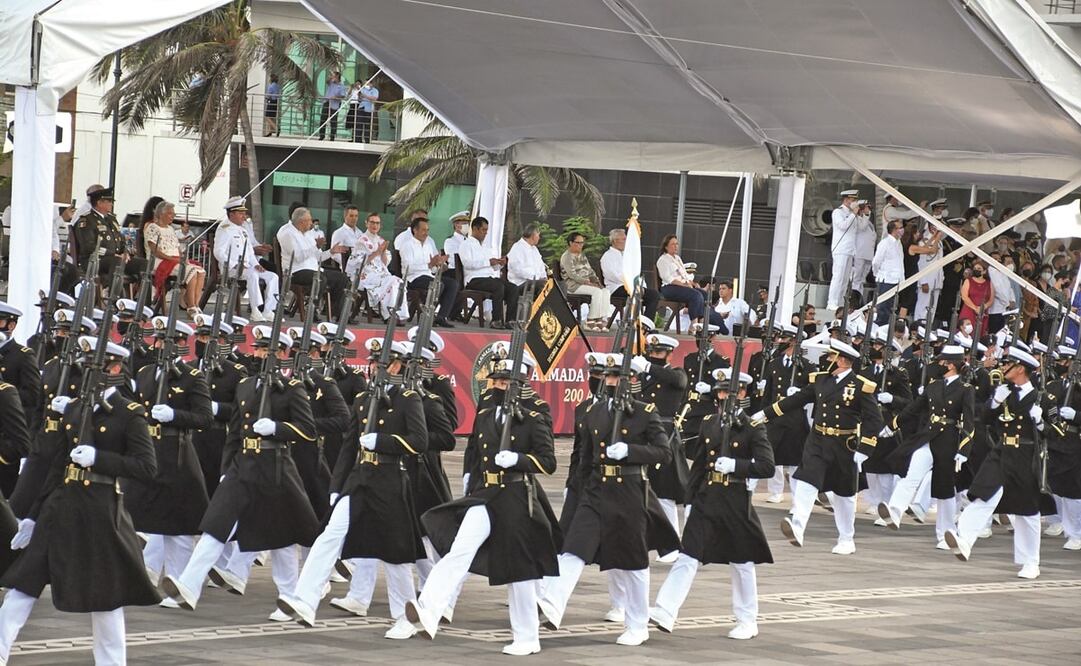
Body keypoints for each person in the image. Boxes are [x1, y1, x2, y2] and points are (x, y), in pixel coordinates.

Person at [0, 338, 159, 666]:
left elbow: (146, 467)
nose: (90, 371)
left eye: (97, 366)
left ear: (115, 369)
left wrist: (99, 458)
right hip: (59, 508)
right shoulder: (74, 409)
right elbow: (57, 468)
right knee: (22, 586)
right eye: (87, 364)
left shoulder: (130, 415)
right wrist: (31, 516)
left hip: (99, 512)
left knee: (105, 600)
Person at [161, 325, 321, 616]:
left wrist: (277, 428)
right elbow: (234, 431)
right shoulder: (246, 385)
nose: (259, 354)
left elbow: (308, 430)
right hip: (242, 465)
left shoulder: (293, 388)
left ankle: (290, 596)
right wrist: (226, 468)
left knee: (281, 538)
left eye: (265, 350)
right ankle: (189, 585)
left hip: (274, 466)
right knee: (215, 527)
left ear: (283, 354)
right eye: (257, 348)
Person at [277, 338, 428, 639]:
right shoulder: (363, 399)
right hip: (360, 478)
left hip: (389, 479)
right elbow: (348, 446)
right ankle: (304, 599)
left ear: (397, 365)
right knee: (329, 535)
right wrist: (337, 485)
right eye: (373, 362)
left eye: (381, 363)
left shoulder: (408, 399)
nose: (374, 367)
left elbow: (420, 441)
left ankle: (405, 615)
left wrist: (383, 443)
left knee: (395, 553)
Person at [408, 354, 558, 656]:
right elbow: (477, 448)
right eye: (497, 381)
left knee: (520, 570)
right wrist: (470, 476)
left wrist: (519, 460)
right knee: (460, 549)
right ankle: (429, 609)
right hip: (486, 493)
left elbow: (548, 462)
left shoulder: (533, 419)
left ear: (519, 385)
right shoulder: (489, 413)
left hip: (516, 496)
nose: (499, 387)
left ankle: (527, 636)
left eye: (505, 382)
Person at [537, 352, 678, 647]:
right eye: (608, 376)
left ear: (632, 381)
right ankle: (552, 603)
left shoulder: (644, 412)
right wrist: (575, 491)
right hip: (596, 490)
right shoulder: (595, 412)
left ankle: (638, 624)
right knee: (573, 549)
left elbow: (663, 452)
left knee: (632, 561)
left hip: (629, 490)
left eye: (616, 377)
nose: (609, 381)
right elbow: (586, 458)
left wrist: (630, 452)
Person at [650, 368, 774, 640]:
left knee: (742, 563)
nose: (722, 397)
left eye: (728, 391)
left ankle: (747, 619)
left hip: (735, 501)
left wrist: (737, 466)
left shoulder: (753, 427)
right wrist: (690, 500)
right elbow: (698, 468)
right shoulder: (709, 423)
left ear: (741, 393)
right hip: (707, 498)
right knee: (688, 556)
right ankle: (665, 610)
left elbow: (767, 467)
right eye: (719, 391)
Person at [750, 338, 884, 554]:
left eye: (831, 357)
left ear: (841, 360)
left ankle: (846, 538)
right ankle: (798, 527)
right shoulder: (822, 380)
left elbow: (874, 421)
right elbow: (796, 400)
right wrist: (765, 413)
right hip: (818, 441)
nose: (827, 360)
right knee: (805, 481)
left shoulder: (860, 386)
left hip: (844, 445)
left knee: (844, 495)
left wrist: (865, 448)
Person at [129, 318, 213, 591]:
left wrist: (175, 415)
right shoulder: (144, 373)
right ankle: (147, 574)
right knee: (143, 515)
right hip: (148, 450)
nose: (162, 345)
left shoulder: (191, 376)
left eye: (169, 341)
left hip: (176, 452)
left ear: (180, 343)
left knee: (177, 527)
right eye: (159, 340)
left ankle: (181, 584)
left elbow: (204, 418)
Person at [945, 346, 1044, 579]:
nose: (1003, 367)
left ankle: (1031, 561)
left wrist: (1041, 423)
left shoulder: (1041, 396)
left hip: (1025, 454)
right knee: (983, 494)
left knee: (1027, 511)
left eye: (1008, 364)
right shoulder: (1003, 392)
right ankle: (964, 540)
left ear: (1020, 369)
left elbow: (1055, 430)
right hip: (1001, 451)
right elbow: (984, 420)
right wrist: (994, 403)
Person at [880, 344, 974, 548]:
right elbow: (913, 409)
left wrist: (964, 449)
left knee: (945, 488)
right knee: (911, 474)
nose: (938, 364)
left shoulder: (966, 390)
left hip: (949, 439)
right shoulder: (934, 386)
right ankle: (894, 511)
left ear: (952, 365)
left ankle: (945, 533)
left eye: (942, 362)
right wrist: (893, 425)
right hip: (929, 436)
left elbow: (969, 421)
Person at [639, 331, 691, 555]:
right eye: (651, 352)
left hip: (665, 433)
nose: (654, 356)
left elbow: (678, 381)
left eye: (658, 352)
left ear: (669, 355)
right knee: (642, 489)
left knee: (665, 491)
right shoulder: (642, 377)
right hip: (641, 434)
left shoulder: (675, 373)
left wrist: (649, 368)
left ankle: (672, 543)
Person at [754, 323, 808, 504]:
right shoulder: (774, 364)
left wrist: (800, 392)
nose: (781, 342)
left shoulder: (806, 365)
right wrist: (763, 414)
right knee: (772, 456)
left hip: (794, 418)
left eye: (785, 339)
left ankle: (796, 496)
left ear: (794, 342)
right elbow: (768, 394)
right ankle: (775, 491)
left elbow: (814, 392)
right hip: (775, 416)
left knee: (794, 460)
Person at [214, 196, 280, 322]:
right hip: (231, 269)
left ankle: (268, 310)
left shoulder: (243, 230)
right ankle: (255, 310)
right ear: (231, 214)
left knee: (273, 276)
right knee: (252, 275)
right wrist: (234, 265)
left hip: (247, 267)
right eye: (241, 213)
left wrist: (256, 264)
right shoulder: (224, 229)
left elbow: (249, 251)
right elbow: (218, 252)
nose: (244, 216)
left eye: (244, 213)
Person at [276, 207, 349, 317]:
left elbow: (318, 257)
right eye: (309, 220)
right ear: (301, 222)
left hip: (314, 269)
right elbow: (297, 257)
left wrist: (331, 251)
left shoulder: (309, 234)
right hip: (295, 272)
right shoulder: (288, 234)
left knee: (342, 278)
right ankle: (311, 311)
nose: (311, 223)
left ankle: (338, 314)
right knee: (319, 278)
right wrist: (316, 246)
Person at [144, 201, 207, 317]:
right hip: (160, 261)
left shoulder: (171, 229)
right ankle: (191, 307)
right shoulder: (153, 227)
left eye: (173, 214)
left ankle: (196, 305)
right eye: (170, 214)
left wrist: (182, 258)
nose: (173, 217)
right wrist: (173, 260)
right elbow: (155, 250)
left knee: (201, 271)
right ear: (161, 214)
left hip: (174, 260)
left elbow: (177, 248)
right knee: (191, 271)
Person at [345, 212, 409, 321]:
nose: (375, 225)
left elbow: (385, 263)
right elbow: (358, 262)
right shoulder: (361, 240)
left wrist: (383, 252)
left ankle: (395, 313)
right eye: (372, 222)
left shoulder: (381, 240)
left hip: (379, 273)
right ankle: (388, 314)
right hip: (364, 275)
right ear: (366, 223)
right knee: (393, 282)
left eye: (377, 223)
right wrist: (376, 252)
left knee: (398, 282)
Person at [459, 217, 518, 329]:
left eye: (486, 230)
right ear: (475, 229)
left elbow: (493, 267)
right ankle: (496, 320)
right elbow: (467, 264)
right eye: (483, 230)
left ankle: (510, 321)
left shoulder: (485, 247)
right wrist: (488, 261)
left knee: (513, 288)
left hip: (488, 278)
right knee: (498, 286)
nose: (486, 233)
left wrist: (500, 263)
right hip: (474, 279)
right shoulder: (466, 245)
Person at [400, 216, 459, 327]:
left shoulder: (428, 245)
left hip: (427, 275)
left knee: (453, 284)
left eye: (427, 230)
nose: (426, 233)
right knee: (437, 284)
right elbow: (409, 267)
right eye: (423, 230)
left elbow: (432, 268)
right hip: (413, 278)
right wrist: (429, 264)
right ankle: (427, 315)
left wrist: (439, 265)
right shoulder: (407, 245)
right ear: (415, 230)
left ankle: (441, 316)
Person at [656, 234, 721, 333]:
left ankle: (702, 322)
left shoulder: (677, 258)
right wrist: (684, 285)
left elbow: (685, 275)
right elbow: (668, 278)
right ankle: (693, 324)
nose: (676, 246)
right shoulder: (663, 260)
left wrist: (693, 283)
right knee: (695, 295)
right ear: (666, 246)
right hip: (670, 288)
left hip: (683, 286)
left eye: (677, 244)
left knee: (704, 294)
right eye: (673, 244)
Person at [600, 228, 660, 319]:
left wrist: (640, 284)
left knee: (653, 295)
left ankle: (646, 324)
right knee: (649, 295)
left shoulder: (626, 255)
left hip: (631, 287)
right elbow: (612, 275)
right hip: (617, 287)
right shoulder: (607, 256)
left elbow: (635, 272)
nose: (626, 241)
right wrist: (631, 283)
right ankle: (637, 322)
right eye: (624, 239)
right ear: (615, 241)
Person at [559, 233, 613, 331]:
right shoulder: (567, 256)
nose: (580, 245)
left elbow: (590, 271)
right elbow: (572, 275)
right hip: (573, 286)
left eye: (582, 243)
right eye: (578, 243)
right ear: (571, 243)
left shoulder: (582, 255)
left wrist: (597, 281)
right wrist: (587, 282)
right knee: (596, 292)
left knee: (605, 291)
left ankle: (600, 319)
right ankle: (590, 320)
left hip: (586, 284)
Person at [826, 190, 861, 311]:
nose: (855, 202)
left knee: (845, 279)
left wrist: (864, 215)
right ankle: (831, 302)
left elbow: (860, 228)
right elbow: (842, 226)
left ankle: (840, 302)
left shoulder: (853, 214)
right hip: (840, 249)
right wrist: (853, 215)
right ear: (846, 200)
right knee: (838, 276)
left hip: (850, 250)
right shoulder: (838, 212)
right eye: (853, 200)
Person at [871, 219, 906, 325]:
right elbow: (876, 262)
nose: (902, 230)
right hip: (886, 279)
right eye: (900, 228)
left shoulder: (899, 243)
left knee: (891, 307)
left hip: (896, 280)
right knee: (883, 307)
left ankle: (886, 328)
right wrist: (877, 274)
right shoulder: (885, 243)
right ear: (894, 230)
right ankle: (879, 328)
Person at [506, 223, 549, 295]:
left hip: (535, 282)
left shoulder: (535, 249)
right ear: (533, 236)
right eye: (538, 235)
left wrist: (544, 277)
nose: (539, 238)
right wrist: (536, 278)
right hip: (520, 284)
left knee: (552, 285)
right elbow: (518, 270)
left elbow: (541, 266)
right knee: (542, 285)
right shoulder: (517, 247)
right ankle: (538, 306)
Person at [958, 259, 993, 334]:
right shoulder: (968, 281)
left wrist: (983, 307)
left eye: (979, 269)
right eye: (975, 269)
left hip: (982, 312)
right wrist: (975, 308)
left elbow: (991, 299)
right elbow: (964, 296)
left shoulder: (989, 283)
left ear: (984, 271)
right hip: (969, 310)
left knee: (979, 333)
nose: (976, 270)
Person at [851, 199, 876, 288]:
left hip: (868, 253)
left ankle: (858, 295)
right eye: (866, 207)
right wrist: (866, 214)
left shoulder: (866, 220)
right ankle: (853, 295)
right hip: (860, 252)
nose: (868, 209)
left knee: (862, 278)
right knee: (857, 277)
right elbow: (862, 227)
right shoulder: (856, 219)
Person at [330, 204, 364, 269]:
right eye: (351, 216)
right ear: (345, 216)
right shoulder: (339, 233)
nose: (354, 218)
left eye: (356, 216)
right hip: (346, 269)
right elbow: (334, 254)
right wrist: (349, 262)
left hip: (360, 269)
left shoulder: (360, 233)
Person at [318, 71, 347, 140]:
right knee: (323, 119)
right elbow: (327, 81)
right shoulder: (331, 83)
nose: (333, 77)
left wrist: (336, 96)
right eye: (332, 76)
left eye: (334, 76)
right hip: (327, 102)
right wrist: (330, 77)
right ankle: (321, 135)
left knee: (333, 121)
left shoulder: (341, 86)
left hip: (335, 104)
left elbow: (343, 96)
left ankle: (332, 137)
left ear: (337, 77)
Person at [355, 77, 379, 143]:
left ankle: (367, 140)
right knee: (359, 124)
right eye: (365, 83)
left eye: (367, 83)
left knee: (367, 126)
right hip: (361, 107)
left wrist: (365, 96)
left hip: (369, 109)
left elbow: (374, 98)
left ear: (371, 84)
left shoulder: (375, 91)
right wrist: (359, 95)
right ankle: (358, 140)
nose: (366, 85)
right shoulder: (363, 89)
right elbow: (359, 99)